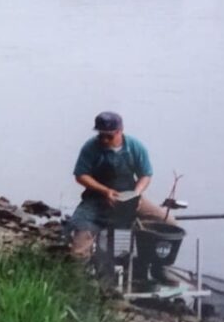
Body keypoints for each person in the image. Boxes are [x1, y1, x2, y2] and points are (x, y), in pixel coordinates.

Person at [68, 111, 175, 259]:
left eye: (109, 136)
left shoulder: (135, 147)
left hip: (128, 197)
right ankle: (80, 273)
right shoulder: (90, 147)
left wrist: (136, 194)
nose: (104, 140)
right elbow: (81, 175)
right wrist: (105, 191)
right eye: (101, 135)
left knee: (169, 223)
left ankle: (158, 266)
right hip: (96, 200)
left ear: (120, 131)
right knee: (79, 242)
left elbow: (145, 175)